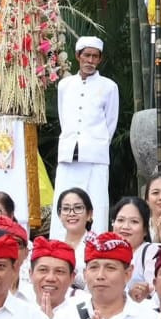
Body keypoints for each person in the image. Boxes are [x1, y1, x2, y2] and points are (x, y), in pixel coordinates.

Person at [42, 233, 161, 319]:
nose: (100, 276)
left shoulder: (150, 318)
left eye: (110, 268)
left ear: (128, 273)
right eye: (94, 267)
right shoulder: (65, 316)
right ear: (84, 274)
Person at [54, 35, 118, 233]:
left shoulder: (109, 87)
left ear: (100, 59)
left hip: (95, 156)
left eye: (95, 56)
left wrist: (95, 143)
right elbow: (63, 117)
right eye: (86, 55)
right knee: (64, 202)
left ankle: (95, 246)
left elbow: (111, 123)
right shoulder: (65, 85)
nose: (90, 60)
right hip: (68, 154)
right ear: (77, 56)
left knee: (96, 204)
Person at [28, 237, 86, 317]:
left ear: (72, 277)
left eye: (59, 271)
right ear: (31, 274)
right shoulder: (18, 312)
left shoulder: (84, 314)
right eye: (43, 270)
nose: (50, 278)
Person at [111, 196, 156, 290]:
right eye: (120, 220)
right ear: (113, 223)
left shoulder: (151, 252)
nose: (125, 226)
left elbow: (156, 292)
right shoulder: (104, 253)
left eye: (134, 222)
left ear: (145, 230)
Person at [52, 188, 95, 287]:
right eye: (66, 209)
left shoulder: (98, 245)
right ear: (59, 215)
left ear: (89, 214)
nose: (71, 213)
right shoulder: (53, 244)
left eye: (78, 208)